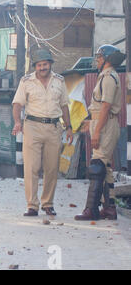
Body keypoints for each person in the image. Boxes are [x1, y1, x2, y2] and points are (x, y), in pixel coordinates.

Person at [12, 47, 73, 217]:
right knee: (31, 167)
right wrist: (17, 122)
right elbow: (17, 104)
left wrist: (69, 127)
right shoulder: (26, 81)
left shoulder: (59, 81)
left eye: (45, 64)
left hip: (54, 128)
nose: (42, 68)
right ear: (35, 66)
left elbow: (64, 106)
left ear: (50, 64)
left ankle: (48, 204)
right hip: (32, 127)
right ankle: (32, 205)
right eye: (39, 65)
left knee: (51, 168)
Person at [75, 45, 126, 221]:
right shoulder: (106, 76)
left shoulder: (109, 77)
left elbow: (106, 106)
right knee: (105, 167)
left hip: (105, 124)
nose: (97, 59)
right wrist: (91, 122)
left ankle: (91, 209)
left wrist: (96, 132)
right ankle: (109, 208)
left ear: (107, 59)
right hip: (102, 121)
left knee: (97, 166)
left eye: (99, 57)